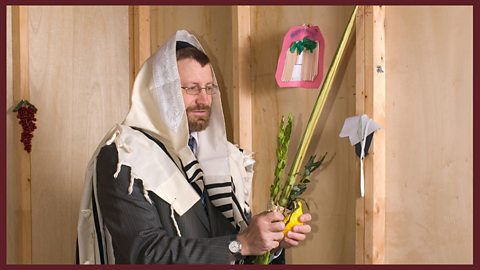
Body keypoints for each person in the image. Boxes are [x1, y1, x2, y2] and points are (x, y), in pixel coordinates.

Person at [77, 30, 311, 264]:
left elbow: (232, 240)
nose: (204, 99)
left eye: (209, 88)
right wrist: (241, 244)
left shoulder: (223, 159)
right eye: (191, 88)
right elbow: (145, 253)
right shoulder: (125, 155)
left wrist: (271, 242)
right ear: (161, 93)